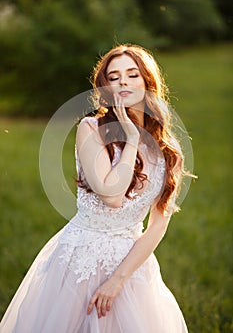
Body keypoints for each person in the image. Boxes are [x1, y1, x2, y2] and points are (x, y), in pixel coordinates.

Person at [0, 44, 189, 332]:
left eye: (132, 74)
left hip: (131, 265)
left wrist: (118, 280)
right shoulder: (91, 128)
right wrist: (132, 140)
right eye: (114, 77)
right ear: (106, 87)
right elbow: (111, 195)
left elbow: (157, 227)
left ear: (148, 83)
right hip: (81, 259)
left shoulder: (170, 151)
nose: (123, 81)